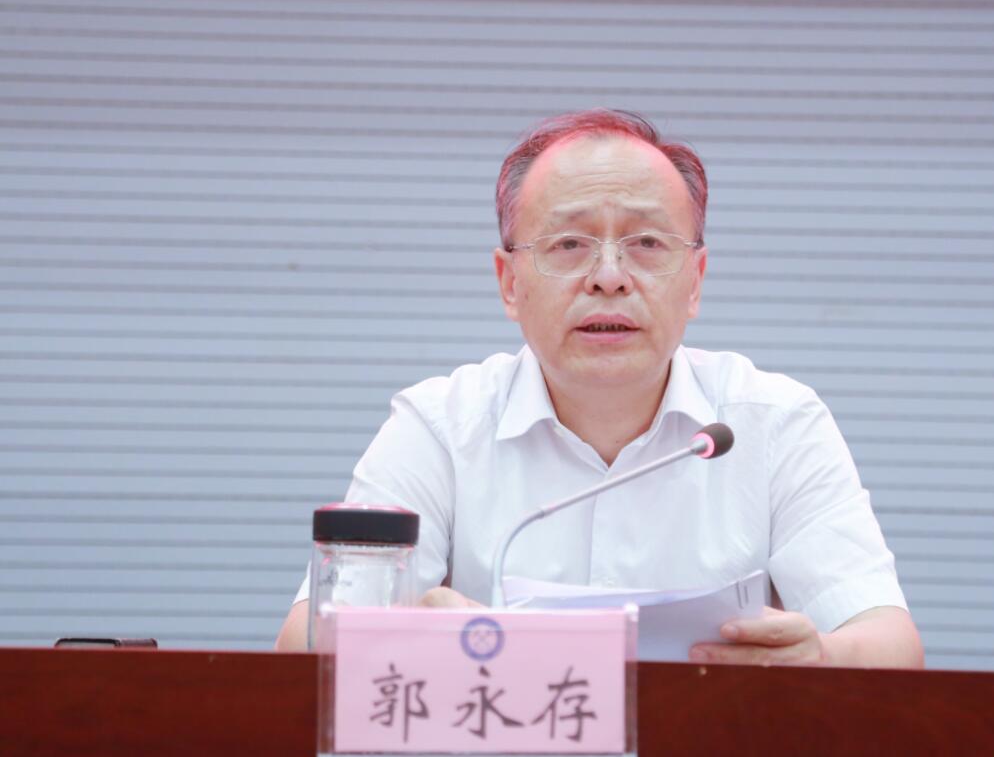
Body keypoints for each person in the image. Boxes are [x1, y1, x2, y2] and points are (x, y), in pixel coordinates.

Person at [275, 110, 924, 668]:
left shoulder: (775, 423)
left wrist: (823, 656)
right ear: (509, 283)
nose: (609, 276)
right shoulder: (440, 427)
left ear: (695, 281)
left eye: (647, 242)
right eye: (568, 243)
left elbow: (892, 644)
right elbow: (302, 647)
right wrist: (420, 639)